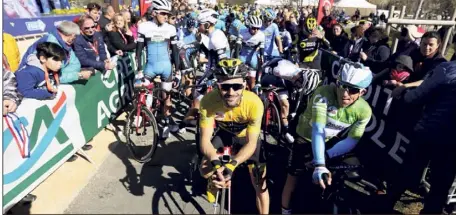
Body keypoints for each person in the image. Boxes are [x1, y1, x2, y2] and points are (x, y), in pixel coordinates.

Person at [281, 63, 373, 214]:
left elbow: (352, 139)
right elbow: (318, 129)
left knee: (328, 181)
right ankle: (285, 211)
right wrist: (320, 164)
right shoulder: (323, 93)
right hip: (306, 137)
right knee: (292, 179)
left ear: (362, 92)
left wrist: (326, 156)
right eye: (342, 86)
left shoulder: (364, 111)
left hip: (328, 141)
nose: (345, 93)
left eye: (352, 90)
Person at [198, 58, 269, 214]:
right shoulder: (208, 101)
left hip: (247, 137)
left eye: (236, 86)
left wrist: (231, 165)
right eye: (225, 87)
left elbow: (251, 143)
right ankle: (214, 180)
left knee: (260, 183)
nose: (231, 92)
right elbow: (204, 140)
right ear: (218, 85)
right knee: (204, 169)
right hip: (226, 134)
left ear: (244, 85)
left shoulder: (254, 103)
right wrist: (216, 163)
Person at [384, 61, 456, 214]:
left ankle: (387, 203)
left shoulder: (446, 69)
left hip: (430, 130)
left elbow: (417, 96)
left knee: (407, 171)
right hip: (451, 143)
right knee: (440, 186)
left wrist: (404, 94)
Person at [136, 0, 181, 138]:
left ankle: (167, 123)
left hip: (166, 67)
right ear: (154, 12)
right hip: (150, 67)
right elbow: (138, 51)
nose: (166, 16)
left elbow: (175, 51)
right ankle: (143, 117)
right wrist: (139, 70)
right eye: (163, 13)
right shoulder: (144, 27)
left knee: (167, 98)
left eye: (167, 14)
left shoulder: (171, 28)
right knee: (142, 93)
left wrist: (178, 70)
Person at [260, 58, 320, 138]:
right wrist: (258, 84)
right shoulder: (282, 71)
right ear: (300, 79)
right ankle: (284, 128)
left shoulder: (299, 75)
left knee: (293, 100)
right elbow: (264, 70)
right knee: (285, 105)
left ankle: (286, 126)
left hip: (284, 81)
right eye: (300, 85)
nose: (300, 87)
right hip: (269, 74)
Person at [19, 21, 89, 84]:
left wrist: (64, 74)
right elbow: (50, 77)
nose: (74, 39)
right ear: (72, 35)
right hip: (32, 83)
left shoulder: (66, 44)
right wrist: (77, 75)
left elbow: (75, 64)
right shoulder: (49, 43)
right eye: (74, 37)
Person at [392, 31, 447, 98]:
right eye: (424, 44)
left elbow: (426, 81)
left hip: (422, 94)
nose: (427, 48)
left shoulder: (440, 62)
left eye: (431, 45)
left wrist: (404, 86)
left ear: (438, 45)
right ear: (420, 42)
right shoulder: (415, 52)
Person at [235, 15, 265, 91]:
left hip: (253, 56)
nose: (256, 30)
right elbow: (237, 47)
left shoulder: (261, 35)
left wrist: (262, 57)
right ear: (249, 26)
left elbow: (262, 49)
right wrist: (236, 58)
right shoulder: (242, 31)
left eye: (258, 28)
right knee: (241, 81)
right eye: (254, 28)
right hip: (243, 55)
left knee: (252, 82)